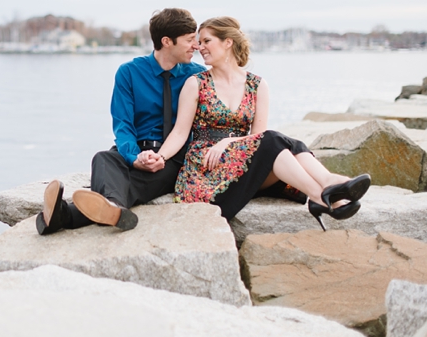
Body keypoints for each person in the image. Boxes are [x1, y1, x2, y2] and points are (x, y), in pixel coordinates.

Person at [139, 16, 371, 230]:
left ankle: (326, 189)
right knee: (276, 139)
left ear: (228, 42)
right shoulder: (195, 83)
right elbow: (180, 133)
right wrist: (160, 157)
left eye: (206, 41)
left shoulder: (257, 85)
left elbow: (257, 137)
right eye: (198, 42)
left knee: (280, 142)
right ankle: (325, 193)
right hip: (207, 170)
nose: (200, 47)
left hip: (242, 162)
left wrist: (229, 142)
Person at [36, 8, 206, 234]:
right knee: (104, 159)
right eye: (189, 40)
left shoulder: (197, 76)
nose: (196, 46)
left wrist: (160, 157)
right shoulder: (129, 72)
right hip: (135, 150)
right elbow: (123, 125)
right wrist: (134, 158)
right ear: (167, 41)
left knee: (128, 184)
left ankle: (65, 215)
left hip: (171, 157)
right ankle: (113, 209)